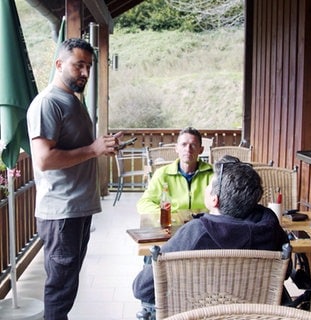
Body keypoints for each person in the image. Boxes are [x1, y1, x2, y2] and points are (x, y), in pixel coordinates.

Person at [27, 38, 122, 320]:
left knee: (67, 286)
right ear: (59, 64)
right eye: (78, 65)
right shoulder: (48, 103)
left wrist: (100, 146)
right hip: (61, 210)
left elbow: (73, 148)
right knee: (59, 289)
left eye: (89, 66)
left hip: (77, 207)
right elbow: (44, 159)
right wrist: (93, 149)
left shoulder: (72, 101)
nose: (85, 73)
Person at [132, 155, 290, 305]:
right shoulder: (270, 226)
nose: (207, 188)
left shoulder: (196, 232)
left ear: (215, 200)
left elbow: (142, 289)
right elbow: (285, 272)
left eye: (209, 185)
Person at [137, 127, 213, 215]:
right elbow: (144, 204)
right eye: (183, 144)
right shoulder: (162, 174)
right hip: (172, 224)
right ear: (176, 148)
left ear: (201, 150)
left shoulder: (213, 174)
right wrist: (169, 213)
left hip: (204, 225)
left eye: (193, 145)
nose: (188, 149)